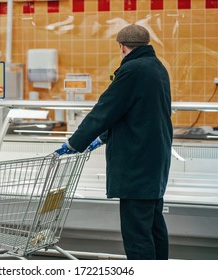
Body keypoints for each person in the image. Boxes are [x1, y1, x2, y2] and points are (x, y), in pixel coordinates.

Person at [56, 24, 173, 260]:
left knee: (137, 234)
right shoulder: (158, 68)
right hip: (154, 159)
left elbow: (105, 110)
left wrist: (74, 143)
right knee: (153, 226)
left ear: (122, 46)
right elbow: (138, 113)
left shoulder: (132, 70)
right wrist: (102, 137)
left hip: (136, 163)